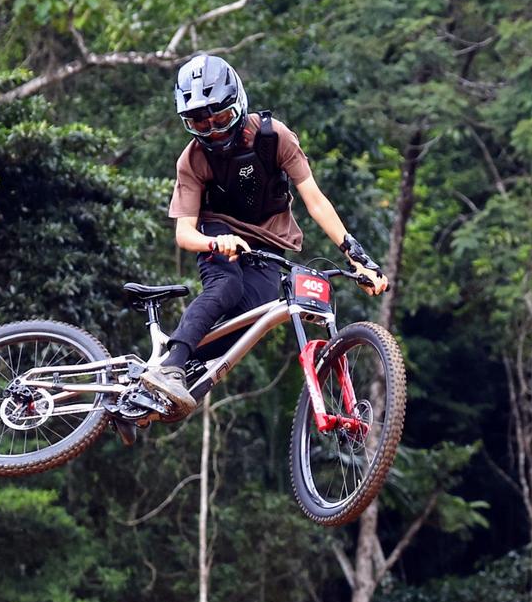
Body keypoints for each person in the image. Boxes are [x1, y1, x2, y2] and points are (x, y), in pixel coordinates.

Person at [141, 52, 388, 415]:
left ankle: (160, 381)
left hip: (268, 243)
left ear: (238, 104)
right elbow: (184, 234)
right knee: (226, 287)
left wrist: (357, 256)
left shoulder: (275, 138)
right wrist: (215, 242)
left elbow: (315, 201)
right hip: (218, 233)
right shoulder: (192, 160)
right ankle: (171, 366)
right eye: (200, 123)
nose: (213, 131)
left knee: (250, 323)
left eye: (221, 118)